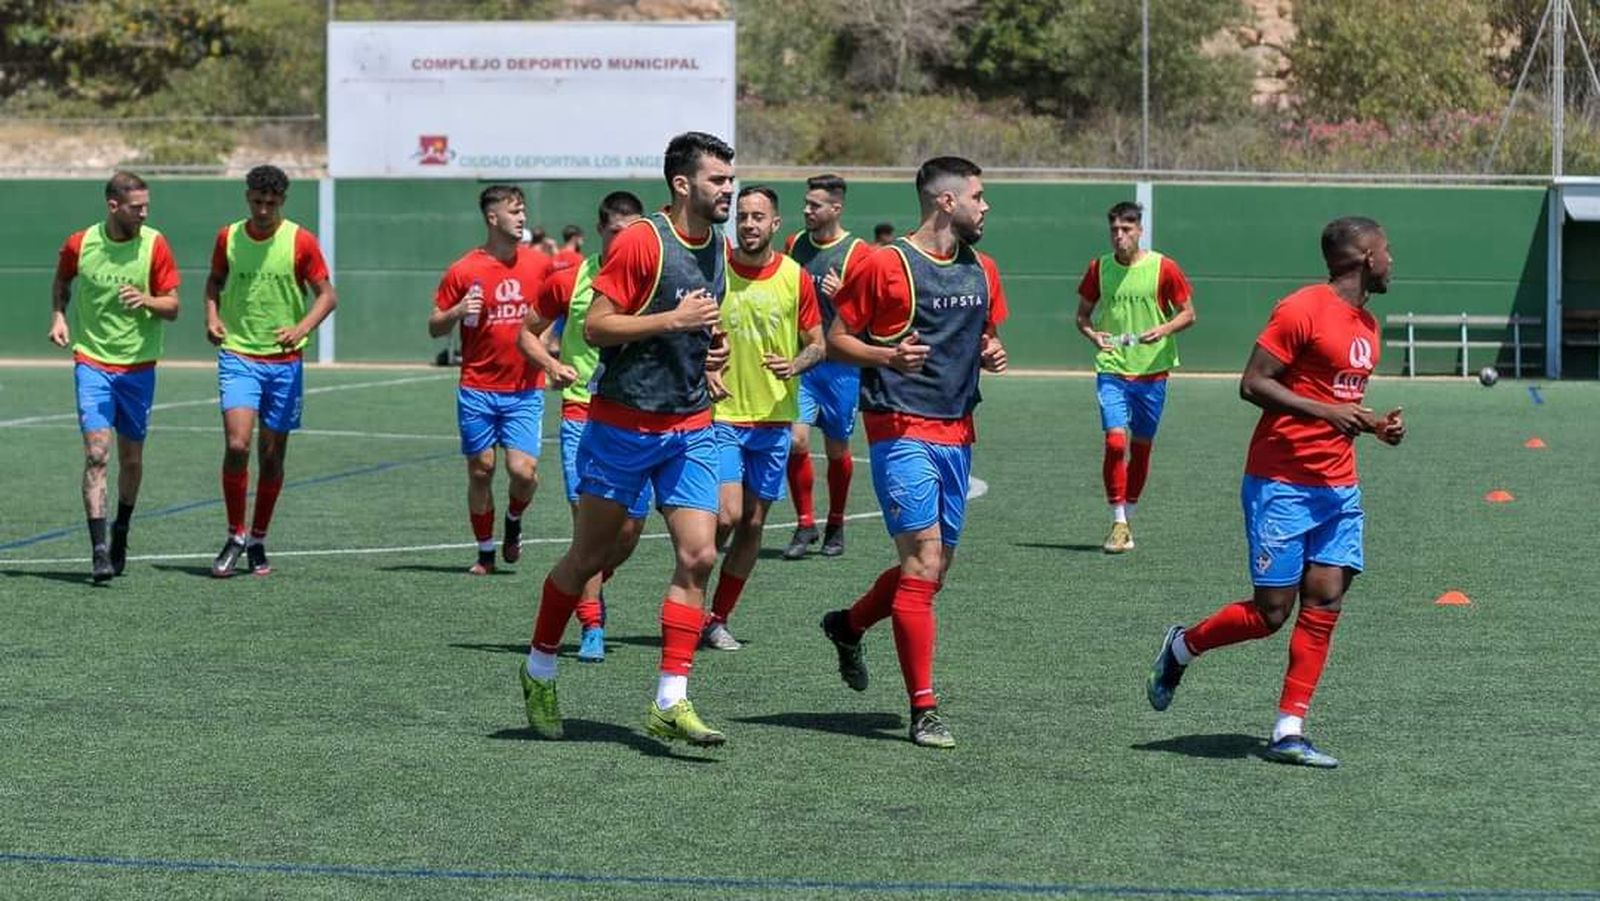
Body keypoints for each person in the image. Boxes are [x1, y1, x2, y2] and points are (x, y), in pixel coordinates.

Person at [1145, 216, 1405, 769]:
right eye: (1386, 251)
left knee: (1327, 596)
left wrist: (1375, 425)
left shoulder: (1367, 324)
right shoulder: (1302, 308)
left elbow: (1338, 398)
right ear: (1362, 255)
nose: (1391, 261)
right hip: (1281, 481)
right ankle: (1182, 647)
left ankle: (1289, 729)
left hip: (1339, 485)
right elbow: (1253, 383)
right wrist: (1330, 413)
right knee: (1270, 613)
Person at [518, 131, 735, 747]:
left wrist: (710, 353)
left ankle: (672, 698)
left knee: (698, 555)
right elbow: (598, 325)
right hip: (621, 425)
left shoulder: (715, 245)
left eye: (729, 178)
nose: (728, 189)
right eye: (717, 180)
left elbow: (695, 328)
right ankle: (539, 667)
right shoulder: (643, 240)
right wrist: (675, 320)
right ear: (682, 184)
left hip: (690, 424)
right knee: (591, 557)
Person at [819, 156, 1009, 749]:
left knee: (930, 574)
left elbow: (985, 334)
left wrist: (989, 352)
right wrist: (887, 357)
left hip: (958, 431)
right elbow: (837, 340)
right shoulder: (886, 264)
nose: (986, 206)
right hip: (897, 428)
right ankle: (923, 709)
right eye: (979, 196)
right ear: (946, 202)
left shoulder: (984, 269)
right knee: (922, 564)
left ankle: (847, 626)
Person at [519, 190, 652, 663]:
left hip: (641, 416)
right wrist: (551, 367)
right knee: (588, 529)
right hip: (583, 414)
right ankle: (592, 623)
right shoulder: (571, 278)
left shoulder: (654, 276)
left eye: (633, 233)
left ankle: (583, 582)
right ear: (601, 231)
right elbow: (527, 333)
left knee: (629, 531)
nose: (624, 242)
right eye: (617, 232)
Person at [702, 185, 825, 651]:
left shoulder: (796, 277)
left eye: (759, 217)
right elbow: (693, 330)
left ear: (776, 224)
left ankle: (717, 618)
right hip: (723, 414)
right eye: (743, 216)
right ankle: (690, 598)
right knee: (727, 516)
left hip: (774, 418)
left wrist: (795, 365)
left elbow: (818, 342)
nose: (749, 224)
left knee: (753, 524)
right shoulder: (714, 269)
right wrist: (705, 367)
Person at [204, 164, 337, 578]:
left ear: (282, 201)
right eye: (257, 201)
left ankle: (259, 537)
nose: (263, 210)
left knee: (272, 456)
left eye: (271, 203)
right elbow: (214, 283)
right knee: (239, 445)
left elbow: (327, 296)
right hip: (239, 354)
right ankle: (235, 534)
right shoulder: (228, 237)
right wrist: (211, 316)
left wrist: (300, 328)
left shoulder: (300, 241)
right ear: (247, 197)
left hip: (284, 363)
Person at [48, 171, 181, 583]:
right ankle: (99, 550)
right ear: (113, 206)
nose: (144, 212)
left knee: (132, 459)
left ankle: (121, 527)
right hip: (92, 362)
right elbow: (62, 280)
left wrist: (147, 300)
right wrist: (58, 315)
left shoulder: (154, 244)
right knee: (97, 454)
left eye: (147, 206)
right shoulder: (80, 243)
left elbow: (173, 306)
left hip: (138, 368)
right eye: (136, 206)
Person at [428, 185, 555, 575]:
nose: (521, 218)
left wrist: (545, 349)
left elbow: (551, 315)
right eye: (514, 211)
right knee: (481, 469)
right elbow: (434, 326)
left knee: (523, 472)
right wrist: (458, 310)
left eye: (523, 211)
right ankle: (485, 551)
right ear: (492, 218)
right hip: (478, 388)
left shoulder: (539, 265)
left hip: (523, 389)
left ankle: (514, 521)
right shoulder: (464, 269)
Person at [1074, 201, 1196, 554]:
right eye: (1114, 230)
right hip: (1112, 367)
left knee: (1141, 448)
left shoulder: (1164, 268)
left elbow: (1189, 314)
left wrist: (1164, 329)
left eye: (1126, 229)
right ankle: (1118, 520)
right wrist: (1093, 335)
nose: (1119, 236)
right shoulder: (1099, 268)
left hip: (1152, 371)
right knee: (1115, 443)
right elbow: (1082, 316)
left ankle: (1129, 516)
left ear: (1140, 230)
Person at [780, 174, 872, 560]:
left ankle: (836, 523)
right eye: (805, 203)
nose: (806, 210)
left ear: (836, 209)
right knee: (796, 440)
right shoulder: (793, 245)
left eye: (814, 205)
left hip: (841, 368)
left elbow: (871, 316)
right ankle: (804, 524)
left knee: (837, 448)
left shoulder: (858, 253)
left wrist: (845, 296)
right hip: (804, 363)